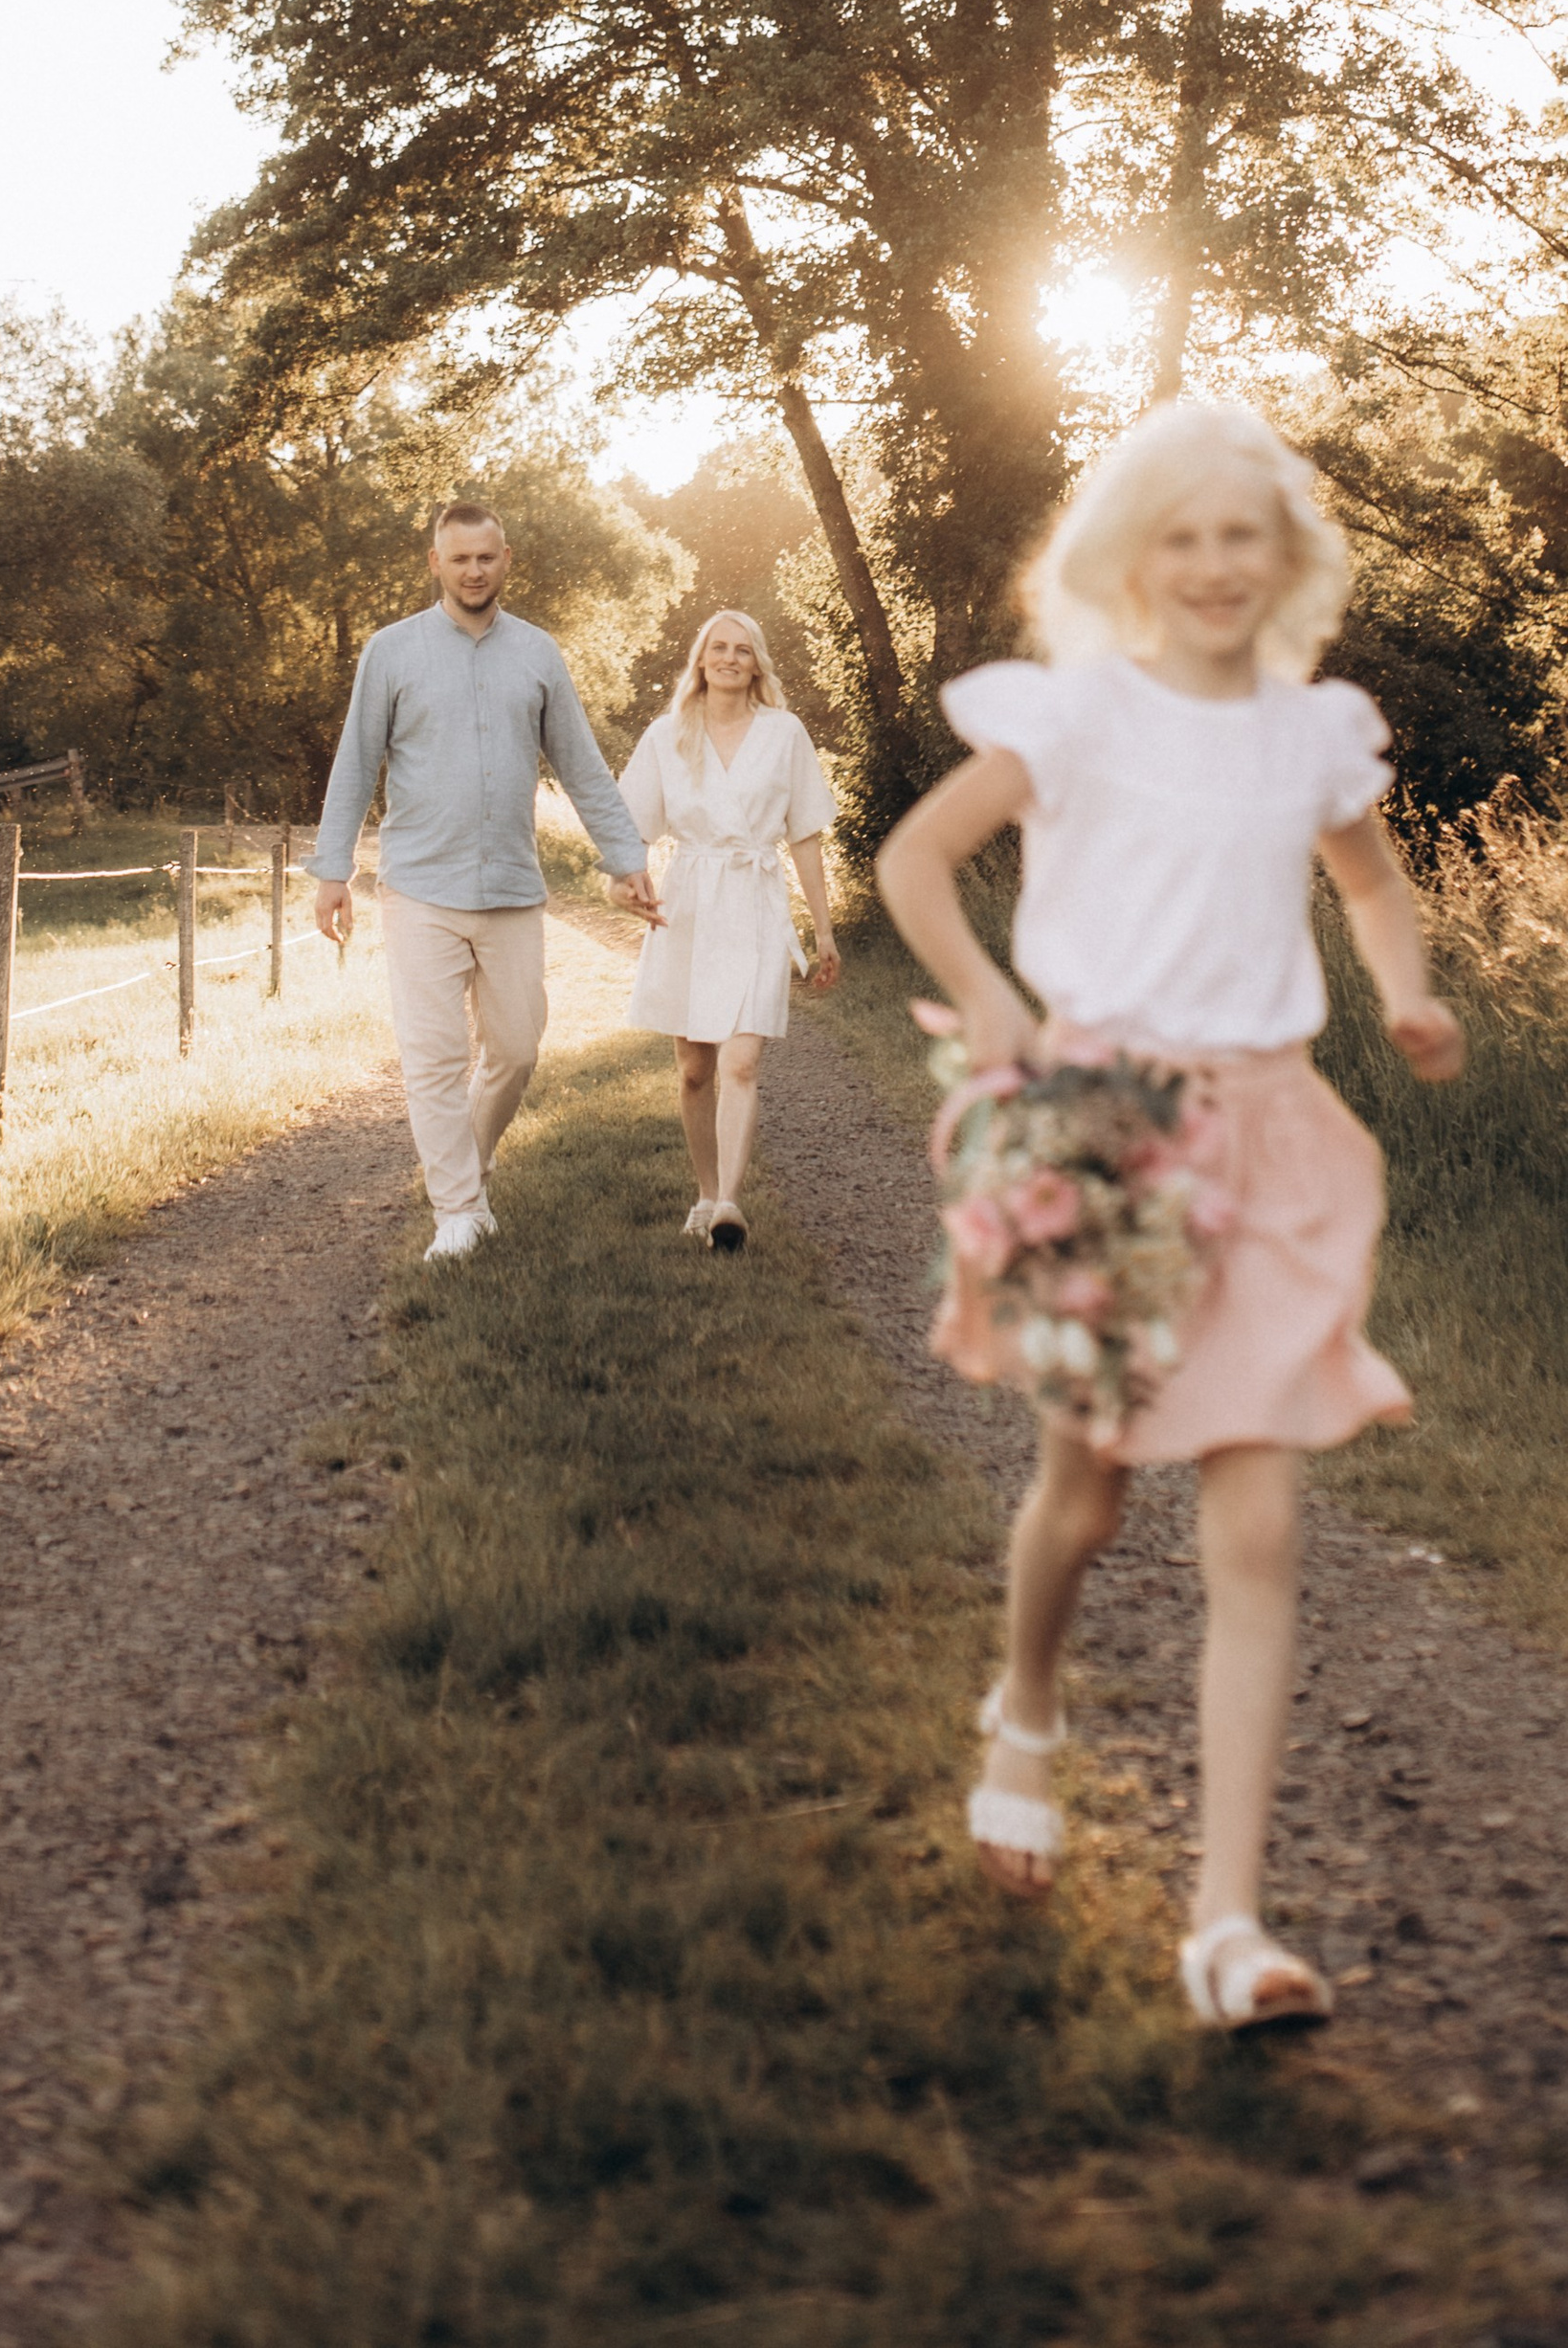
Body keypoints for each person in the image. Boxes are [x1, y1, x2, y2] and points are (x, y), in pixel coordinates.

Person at [876, 395, 1460, 2033]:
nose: (1213, 565)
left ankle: (1228, 1922)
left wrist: (1405, 994)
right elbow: (916, 863)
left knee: (1260, 1518)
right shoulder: (1078, 718)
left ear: (1287, 559)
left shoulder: (1313, 732)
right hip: (1106, 1131)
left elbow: (1368, 879)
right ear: (1135, 557)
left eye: (1241, 538)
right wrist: (989, 1003)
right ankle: (1027, 1709)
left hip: (1270, 1133)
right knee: (1086, 1490)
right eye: (1183, 537)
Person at [312, 500, 662, 1261]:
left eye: (486, 558)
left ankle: (467, 1161)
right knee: (433, 1055)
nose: (474, 571)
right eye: (459, 558)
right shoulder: (391, 652)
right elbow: (353, 764)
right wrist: (332, 870)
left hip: (511, 887)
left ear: (506, 561)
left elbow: (582, 766)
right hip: (417, 888)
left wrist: (627, 858)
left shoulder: (537, 655)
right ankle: (459, 1211)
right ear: (435, 563)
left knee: (517, 1046)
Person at [617, 609, 839, 1251]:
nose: (730, 658)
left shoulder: (785, 733)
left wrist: (823, 931)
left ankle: (730, 1206)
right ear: (701, 658)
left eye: (743, 649)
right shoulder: (667, 735)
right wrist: (624, 881)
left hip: (756, 900)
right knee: (694, 1067)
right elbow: (631, 826)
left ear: (757, 662)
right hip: (688, 902)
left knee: (741, 1061)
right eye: (719, 647)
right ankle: (706, 1190)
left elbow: (805, 836)